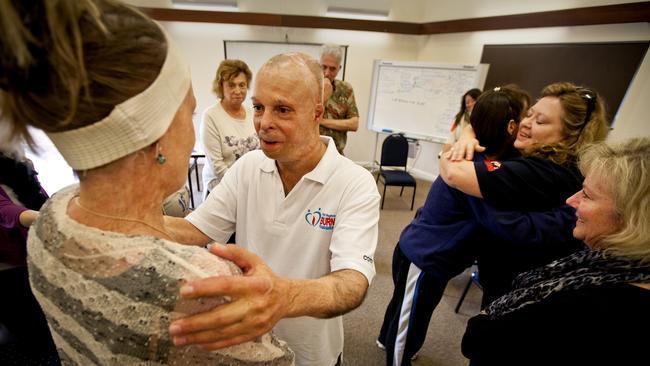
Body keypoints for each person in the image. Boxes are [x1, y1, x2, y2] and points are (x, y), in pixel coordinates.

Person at [0, 1, 294, 364]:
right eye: (189, 112)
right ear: (157, 136)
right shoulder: (202, 282)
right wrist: (267, 301)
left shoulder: (51, 217)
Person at [164, 53, 381, 366]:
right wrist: (122, 220)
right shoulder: (249, 166)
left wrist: (283, 297)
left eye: (282, 110)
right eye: (258, 107)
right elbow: (196, 230)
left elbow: (351, 282)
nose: (263, 123)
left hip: (313, 355)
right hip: (249, 347)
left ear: (316, 114)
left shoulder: (354, 183)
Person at [377, 85, 542, 366]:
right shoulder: (477, 171)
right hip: (424, 257)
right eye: (526, 117)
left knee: (412, 308)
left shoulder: (494, 159)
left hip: (433, 256)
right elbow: (503, 224)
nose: (528, 124)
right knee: (409, 321)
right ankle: (395, 352)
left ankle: (387, 339)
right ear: (511, 125)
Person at [462, 137, 650, 365]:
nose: (571, 200)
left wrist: (486, 316)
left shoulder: (590, 305)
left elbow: (477, 339)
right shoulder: (607, 262)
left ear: (633, 218)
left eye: (587, 196)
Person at [0, 146, 59, 365]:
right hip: (8, 265)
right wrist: (49, 217)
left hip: (34, 252)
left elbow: (38, 196)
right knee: (33, 332)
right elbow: (6, 211)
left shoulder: (17, 161)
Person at [201, 59, 259, 198]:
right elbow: (217, 166)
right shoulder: (211, 116)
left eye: (242, 85)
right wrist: (242, 189)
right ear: (221, 87)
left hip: (250, 183)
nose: (238, 91)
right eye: (231, 85)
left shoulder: (252, 113)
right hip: (222, 187)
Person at [319, 43, 359, 155]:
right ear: (319, 65)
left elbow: (354, 124)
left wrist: (323, 121)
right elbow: (303, 119)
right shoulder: (307, 86)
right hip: (310, 153)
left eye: (332, 69)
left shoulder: (345, 89)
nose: (327, 73)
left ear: (339, 69)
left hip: (336, 153)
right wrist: (324, 97)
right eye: (324, 67)